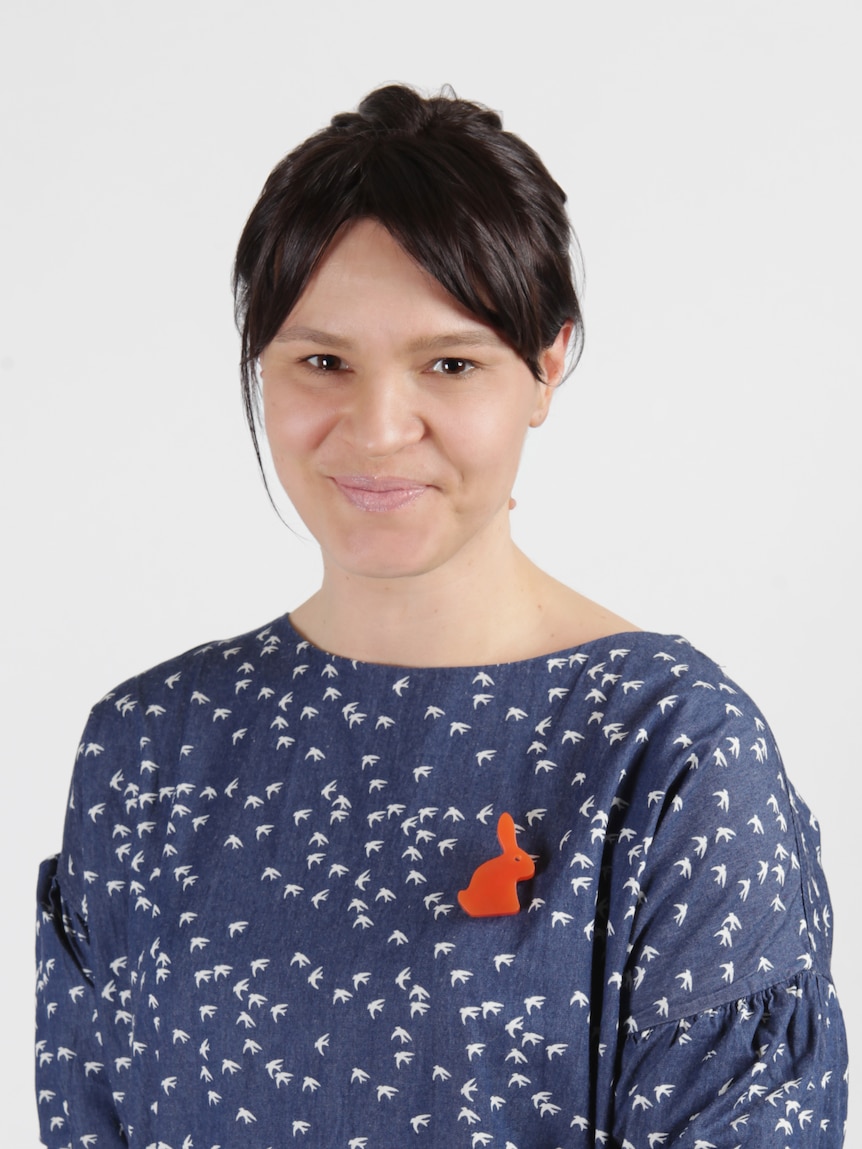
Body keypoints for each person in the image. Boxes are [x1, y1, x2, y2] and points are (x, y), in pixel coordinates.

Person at [35, 84, 848, 1148]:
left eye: (449, 363)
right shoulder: (148, 749)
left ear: (546, 362)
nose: (375, 431)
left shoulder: (669, 757)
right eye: (322, 362)